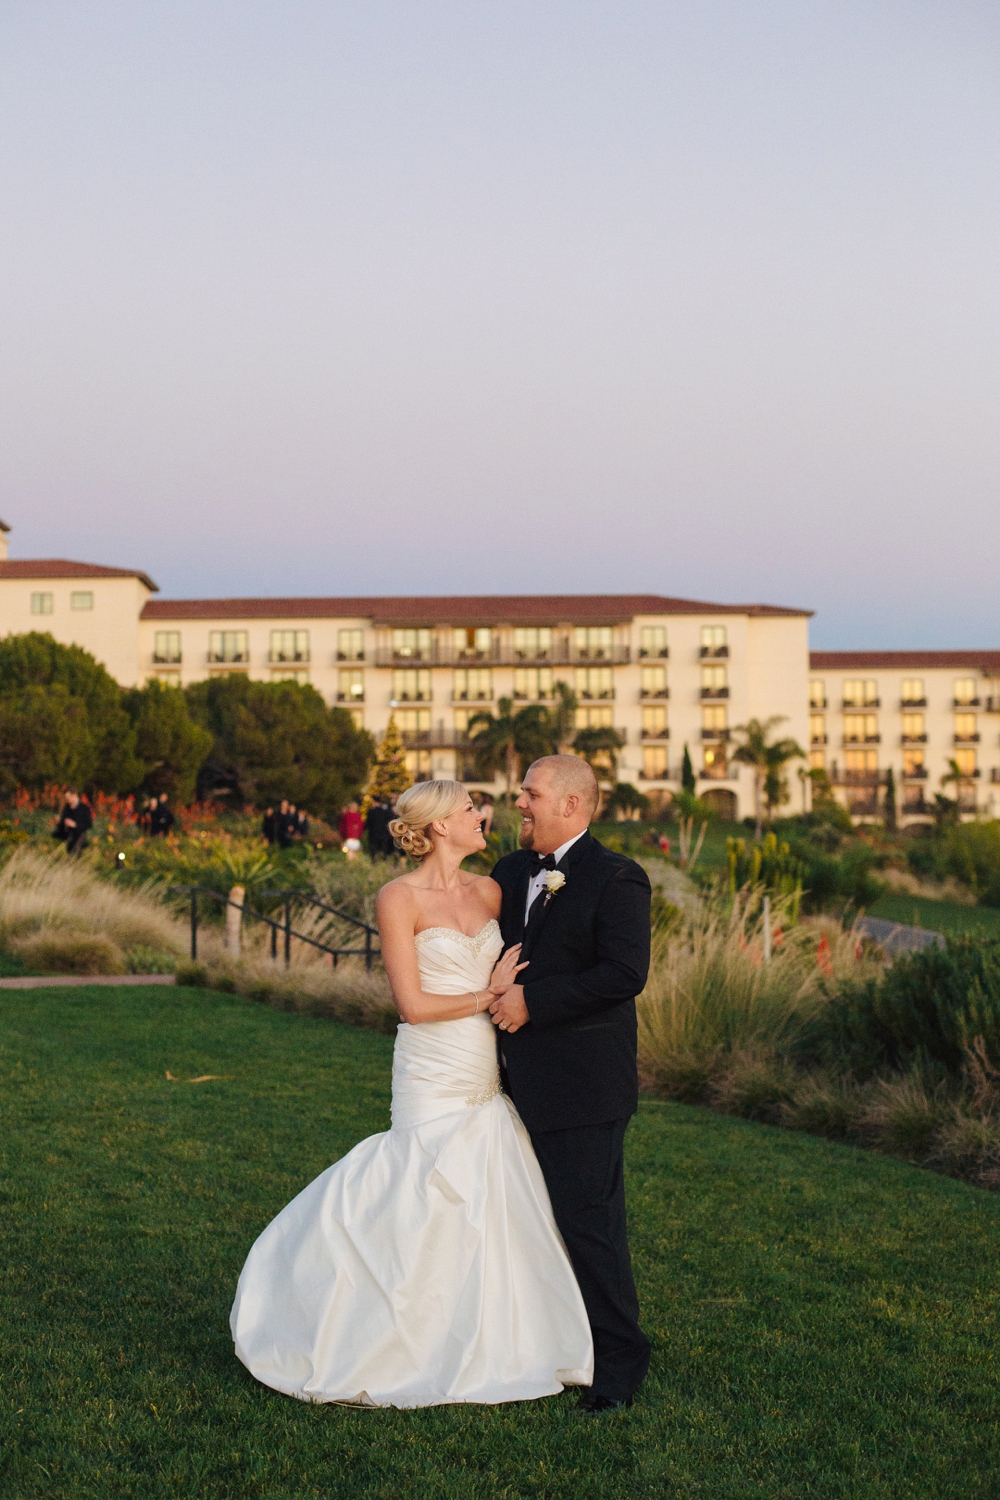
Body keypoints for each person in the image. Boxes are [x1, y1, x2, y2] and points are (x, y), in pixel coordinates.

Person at [231, 780, 592, 1408]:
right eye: (469, 811)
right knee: (419, 1184)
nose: (483, 816)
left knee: (488, 1190)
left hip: (484, 1065)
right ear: (438, 826)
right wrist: (491, 994)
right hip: (430, 1064)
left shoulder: (493, 890)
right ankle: (386, 1334)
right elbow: (414, 1006)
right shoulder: (397, 898)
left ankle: (493, 1338)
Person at [488, 755, 652, 1413]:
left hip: (583, 1085)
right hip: (502, 1083)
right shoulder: (507, 870)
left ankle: (619, 1363)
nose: (519, 803)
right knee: (522, 1222)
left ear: (571, 806)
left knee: (589, 1224)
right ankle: (541, 1342)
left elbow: (624, 973)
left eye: (530, 794)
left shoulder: (617, 877)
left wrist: (534, 1001)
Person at [54, 790, 93, 855]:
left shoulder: (84, 808)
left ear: (74, 795)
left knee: (75, 855)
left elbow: (88, 824)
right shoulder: (67, 808)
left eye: (68, 797)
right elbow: (64, 822)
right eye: (65, 798)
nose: (66, 800)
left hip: (80, 836)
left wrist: (75, 825)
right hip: (69, 836)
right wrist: (60, 822)